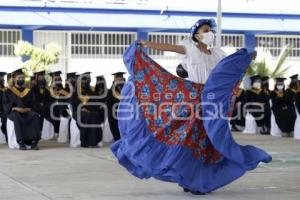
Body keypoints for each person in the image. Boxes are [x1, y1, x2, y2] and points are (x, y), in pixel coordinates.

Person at [111, 18, 271, 195]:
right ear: (196, 34)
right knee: (188, 139)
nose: (209, 32)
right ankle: (187, 177)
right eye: (204, 29)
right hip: (193, 97)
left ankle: (196, 180)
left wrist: (247, 57)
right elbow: (169, 48)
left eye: (210, 29)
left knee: (205, 141)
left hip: (212, 100)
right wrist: (147, 43)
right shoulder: (189, 48)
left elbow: (229, 67)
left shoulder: (217, 54)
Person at [2, 68, 41, 150]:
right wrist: (16, 108)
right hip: (14, 111)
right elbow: (6, 104)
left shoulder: (28, 91)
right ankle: (21, 141)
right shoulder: (8, 91)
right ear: (14, 79)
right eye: (19, 78)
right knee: (17, 116)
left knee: (34, 115)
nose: (21, 79)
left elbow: (33, 103)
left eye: (22, 78)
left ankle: (33, 142)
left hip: (26, 110)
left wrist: (28, 109)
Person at [70, 72, 104, 147]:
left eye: (87, 80)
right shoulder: (75, 93)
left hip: (90, 111)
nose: (85, 82)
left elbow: (95, 104)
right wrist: (82, 109)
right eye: (84, 80)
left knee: (94, 115)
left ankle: (93, 141)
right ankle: (86, 142)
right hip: (78, 112)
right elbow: (74, 106)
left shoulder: (92, 92)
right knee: (88, 116)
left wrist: (88, 109)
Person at [49, 71, 71, 137]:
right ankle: (57, 130)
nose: (58, 80)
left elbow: (68, 97)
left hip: (62, 105)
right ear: (53, 80)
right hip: (52, 106)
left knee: (61, 107)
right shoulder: (49, 88)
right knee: (57, 109)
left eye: (59, 79)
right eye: (56, 79)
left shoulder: (63, 89)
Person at [107, 72, 126, 141]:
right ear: (114, 80)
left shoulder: (126, 87)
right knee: (113, 119)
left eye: (121, 79)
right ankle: (117, 138)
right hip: (114, 110)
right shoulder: (111, 90)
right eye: (117, 79)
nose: (119, 80)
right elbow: (109, 102)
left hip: (126, 109)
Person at [0, 72, 7, 141]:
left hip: (3, 110)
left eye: (2, 77)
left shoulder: (5, 89)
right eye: (0, 77)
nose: (2, 79)